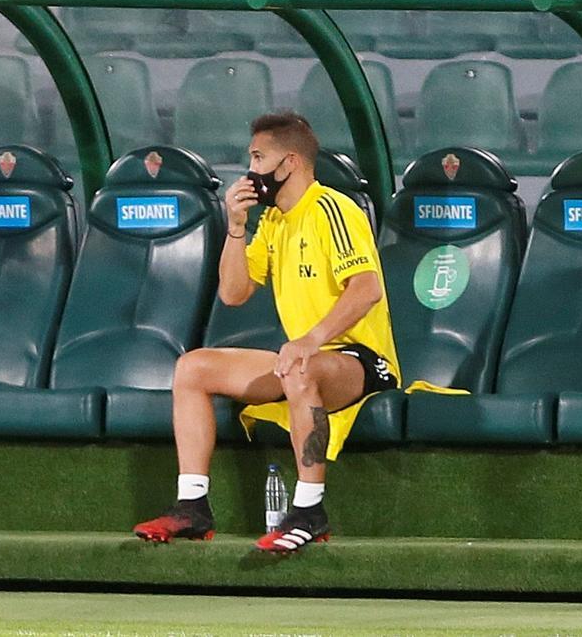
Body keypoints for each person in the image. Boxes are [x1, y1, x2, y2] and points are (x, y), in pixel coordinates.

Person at [133, 111, 400, 553]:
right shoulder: (273, 221)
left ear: (289, 162)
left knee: (300, 371)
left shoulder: (332, 208)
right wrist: (236, 227)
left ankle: (310, 510)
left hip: (361, 361)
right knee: (193, 368)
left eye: (258, 157)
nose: (251, 169)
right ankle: (193, 506)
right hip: (302, 359)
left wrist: (311, 340)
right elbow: (235, 293)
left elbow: (367, 289)